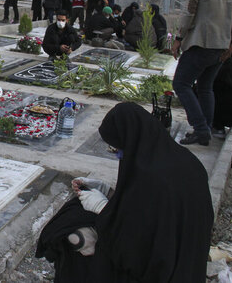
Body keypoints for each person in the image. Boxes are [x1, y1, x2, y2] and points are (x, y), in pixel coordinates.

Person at [36, 102, 213, 283]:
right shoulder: (173, 158)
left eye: (119, 148)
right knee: (76, 209)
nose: (119, 154)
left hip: (160, 273)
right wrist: (109, 191)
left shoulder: (154, 178)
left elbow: (137, 249)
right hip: (186, 265)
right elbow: (145, 209)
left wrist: (103, 208)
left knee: (71, 230)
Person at [171, 0, 232, 146]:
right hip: (221, 46)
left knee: (181, 84)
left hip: (200, 43)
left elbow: (189, 10)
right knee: (205, 87)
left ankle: (200, 128)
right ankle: (207, 128)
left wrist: (179, 37)